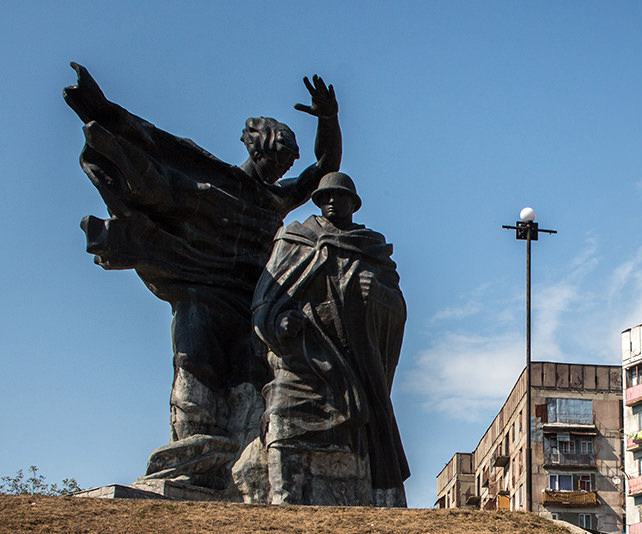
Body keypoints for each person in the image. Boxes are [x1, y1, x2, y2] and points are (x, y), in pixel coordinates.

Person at [64, 64, 342, 493]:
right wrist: (103, 111)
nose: (282, 167)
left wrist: (329, 119)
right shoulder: (215, 183)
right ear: (256, 149)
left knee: (252, 389)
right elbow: (156, 143)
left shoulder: (276, 198)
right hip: (201, 291)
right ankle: (191, 461)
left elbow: (325, 164)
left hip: (251, 306)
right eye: (277, 158)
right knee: (194, 370)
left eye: (288, 162)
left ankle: (237, 470)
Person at [251, 173, 409, 507]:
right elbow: (266, 295)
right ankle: (283, 497)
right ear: (318, 202)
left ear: (354, 203)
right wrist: (279, 321)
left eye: (339, 196)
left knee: (361, 417)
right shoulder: (296, 238)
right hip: (304, 351)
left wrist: (376, 293)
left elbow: (397, 307)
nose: (332, 202)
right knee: (282, 411)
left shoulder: (372, 247)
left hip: (353, 360)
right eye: (325, 197)